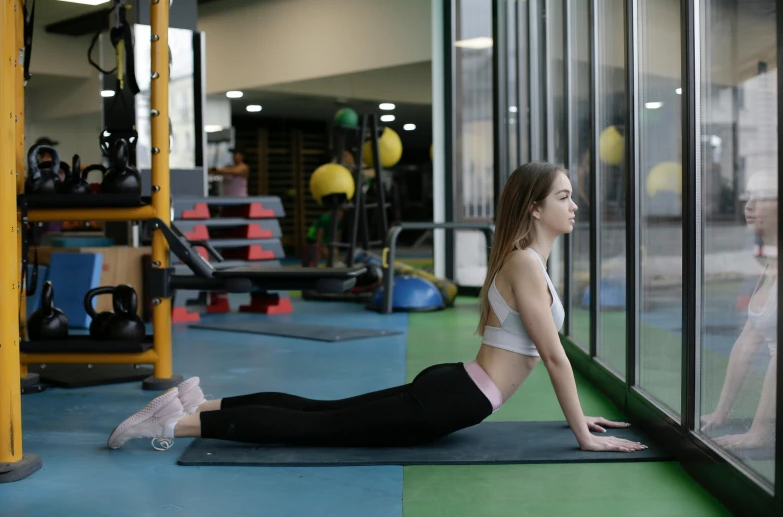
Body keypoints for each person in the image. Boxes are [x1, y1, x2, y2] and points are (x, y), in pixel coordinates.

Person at [107, 162, 647, 454]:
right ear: (535, 207)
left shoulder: (528, 260)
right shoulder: (525, 263)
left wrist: (582, 417)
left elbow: (534, 353)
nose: (575, 205)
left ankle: (200, 403)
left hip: (457, 387)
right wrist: (582, 435)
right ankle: (176, 424)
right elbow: (553, 358)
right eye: (564, 197)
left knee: (321, 412)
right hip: (454, 399)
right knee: (317, 427)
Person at [701, 170, 777, 451]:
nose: (749, 206)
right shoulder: (770, 261)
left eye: (761, 197)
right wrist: (721, 413)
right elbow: (747, 342)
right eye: (748, 196)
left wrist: (759, 430)